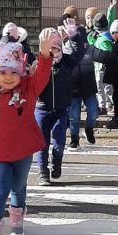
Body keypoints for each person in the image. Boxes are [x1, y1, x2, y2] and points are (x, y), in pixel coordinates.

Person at [0, 32, 56, 235]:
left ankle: (17, 220)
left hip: (22, 151)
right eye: (2, 72)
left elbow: (42, 75)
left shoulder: (28, 89)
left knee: (19, 188)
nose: (8, 77)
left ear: (21, 73)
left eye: (13, 72)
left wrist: (44, 53)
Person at [35, 29, 79, 184]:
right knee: (42, 143)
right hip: (42, 109)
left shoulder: (67, 62)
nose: (53, 53)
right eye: (50, 49)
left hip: (60, 109)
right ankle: (43, 172)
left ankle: (57, 162)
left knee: (59, 143)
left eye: (56, 49)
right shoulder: (38, 64)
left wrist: (73, 38)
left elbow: (79, 55)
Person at [68, 26, 99, 147]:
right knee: (74, 116)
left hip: (89, 88)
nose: (83, 45)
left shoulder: (91, 49)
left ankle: (89, 129)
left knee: (93, 112)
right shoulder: (68, 50)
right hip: (73, 90)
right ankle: (74, 138)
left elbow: (103, 56)